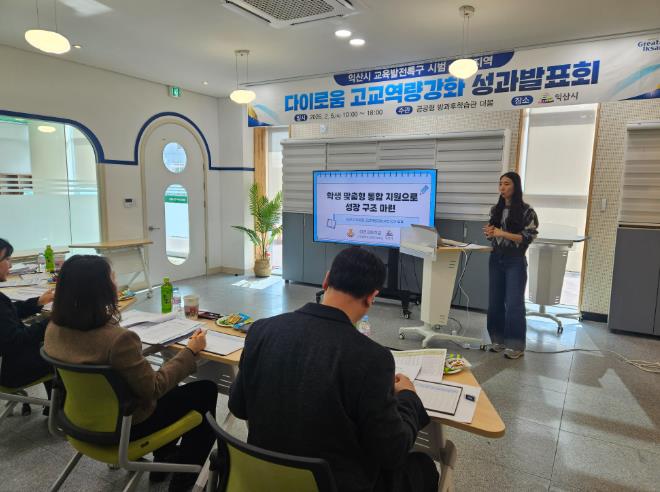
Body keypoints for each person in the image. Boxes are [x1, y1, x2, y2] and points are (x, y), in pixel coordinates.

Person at [228, 247, 439, 492]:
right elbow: (392, 451)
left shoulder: (262, 331)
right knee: (423, 467)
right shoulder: (372, 359)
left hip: (262, 479)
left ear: (326, 279)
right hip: (333, 484)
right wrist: (408, 397)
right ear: (372, 297)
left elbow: (238, 407)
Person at [44, 255, 217, 492]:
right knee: (205, 390)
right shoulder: (119, 340)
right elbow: (154, 388)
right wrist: (190, 351)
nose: (117, 283)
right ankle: (184, 480)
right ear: (101, 290)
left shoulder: (53, 329)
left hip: (75, 420)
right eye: (112, 278)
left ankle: (163, 462)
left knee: (173, 385)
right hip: (125, 427)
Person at [483, 172, 539, 359]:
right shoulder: (495, 210)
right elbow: (493, 235)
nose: (502, 187)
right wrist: (490, 233)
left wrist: (502, 233)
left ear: (515, 186)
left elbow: (528, 237)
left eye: (506, 184)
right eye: (500, 184)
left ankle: (515, 345)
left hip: (515, 260)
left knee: (514, 303)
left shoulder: (527, 211)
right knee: (495, 301)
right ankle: (497, 340)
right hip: (496, 258)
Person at [0, 238, 54, 401]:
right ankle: (59, 409)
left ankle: (53, 407)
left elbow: (9, 313)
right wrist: (50, 321)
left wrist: (38, 302)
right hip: (12, 371)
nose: (10, 265)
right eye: (7, 259)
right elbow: (17, 339)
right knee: (63, 352)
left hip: (9, 361)